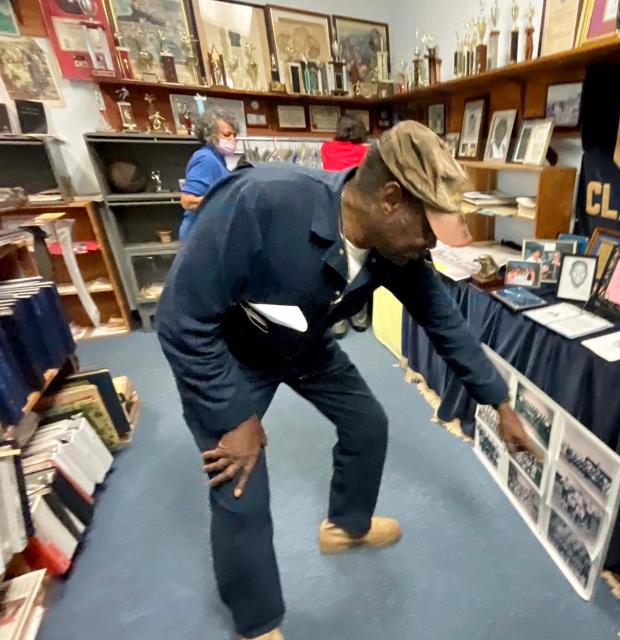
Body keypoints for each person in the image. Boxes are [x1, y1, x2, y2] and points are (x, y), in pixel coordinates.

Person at [155, 121, 532, 640]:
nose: (431, 247)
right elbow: (180, 319)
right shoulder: (262, 201)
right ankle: (255, 622)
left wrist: (499, 401)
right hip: (228, 354)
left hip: (303, 343)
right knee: (239, 480)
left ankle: (345, 525)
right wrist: (233, 416)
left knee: (367, 423)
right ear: (391, 200)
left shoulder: (396, 248)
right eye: (429, 230)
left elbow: (444, 322)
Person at [321, 114, 372, 338]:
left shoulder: (326, 149)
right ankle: (360, 320)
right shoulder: (367, 152)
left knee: (336, 269)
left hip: (333, 213)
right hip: (358, 216)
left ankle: (338, 323)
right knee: (359, 267)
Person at [178, 110, 237, 243]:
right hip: (199, 236)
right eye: (227, 135)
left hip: (209, 233)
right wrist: (229, 202)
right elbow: (187, 201)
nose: (232, 139)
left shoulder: (218, 160)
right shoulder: (205, 158)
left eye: (234, 135)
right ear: (210, 136)